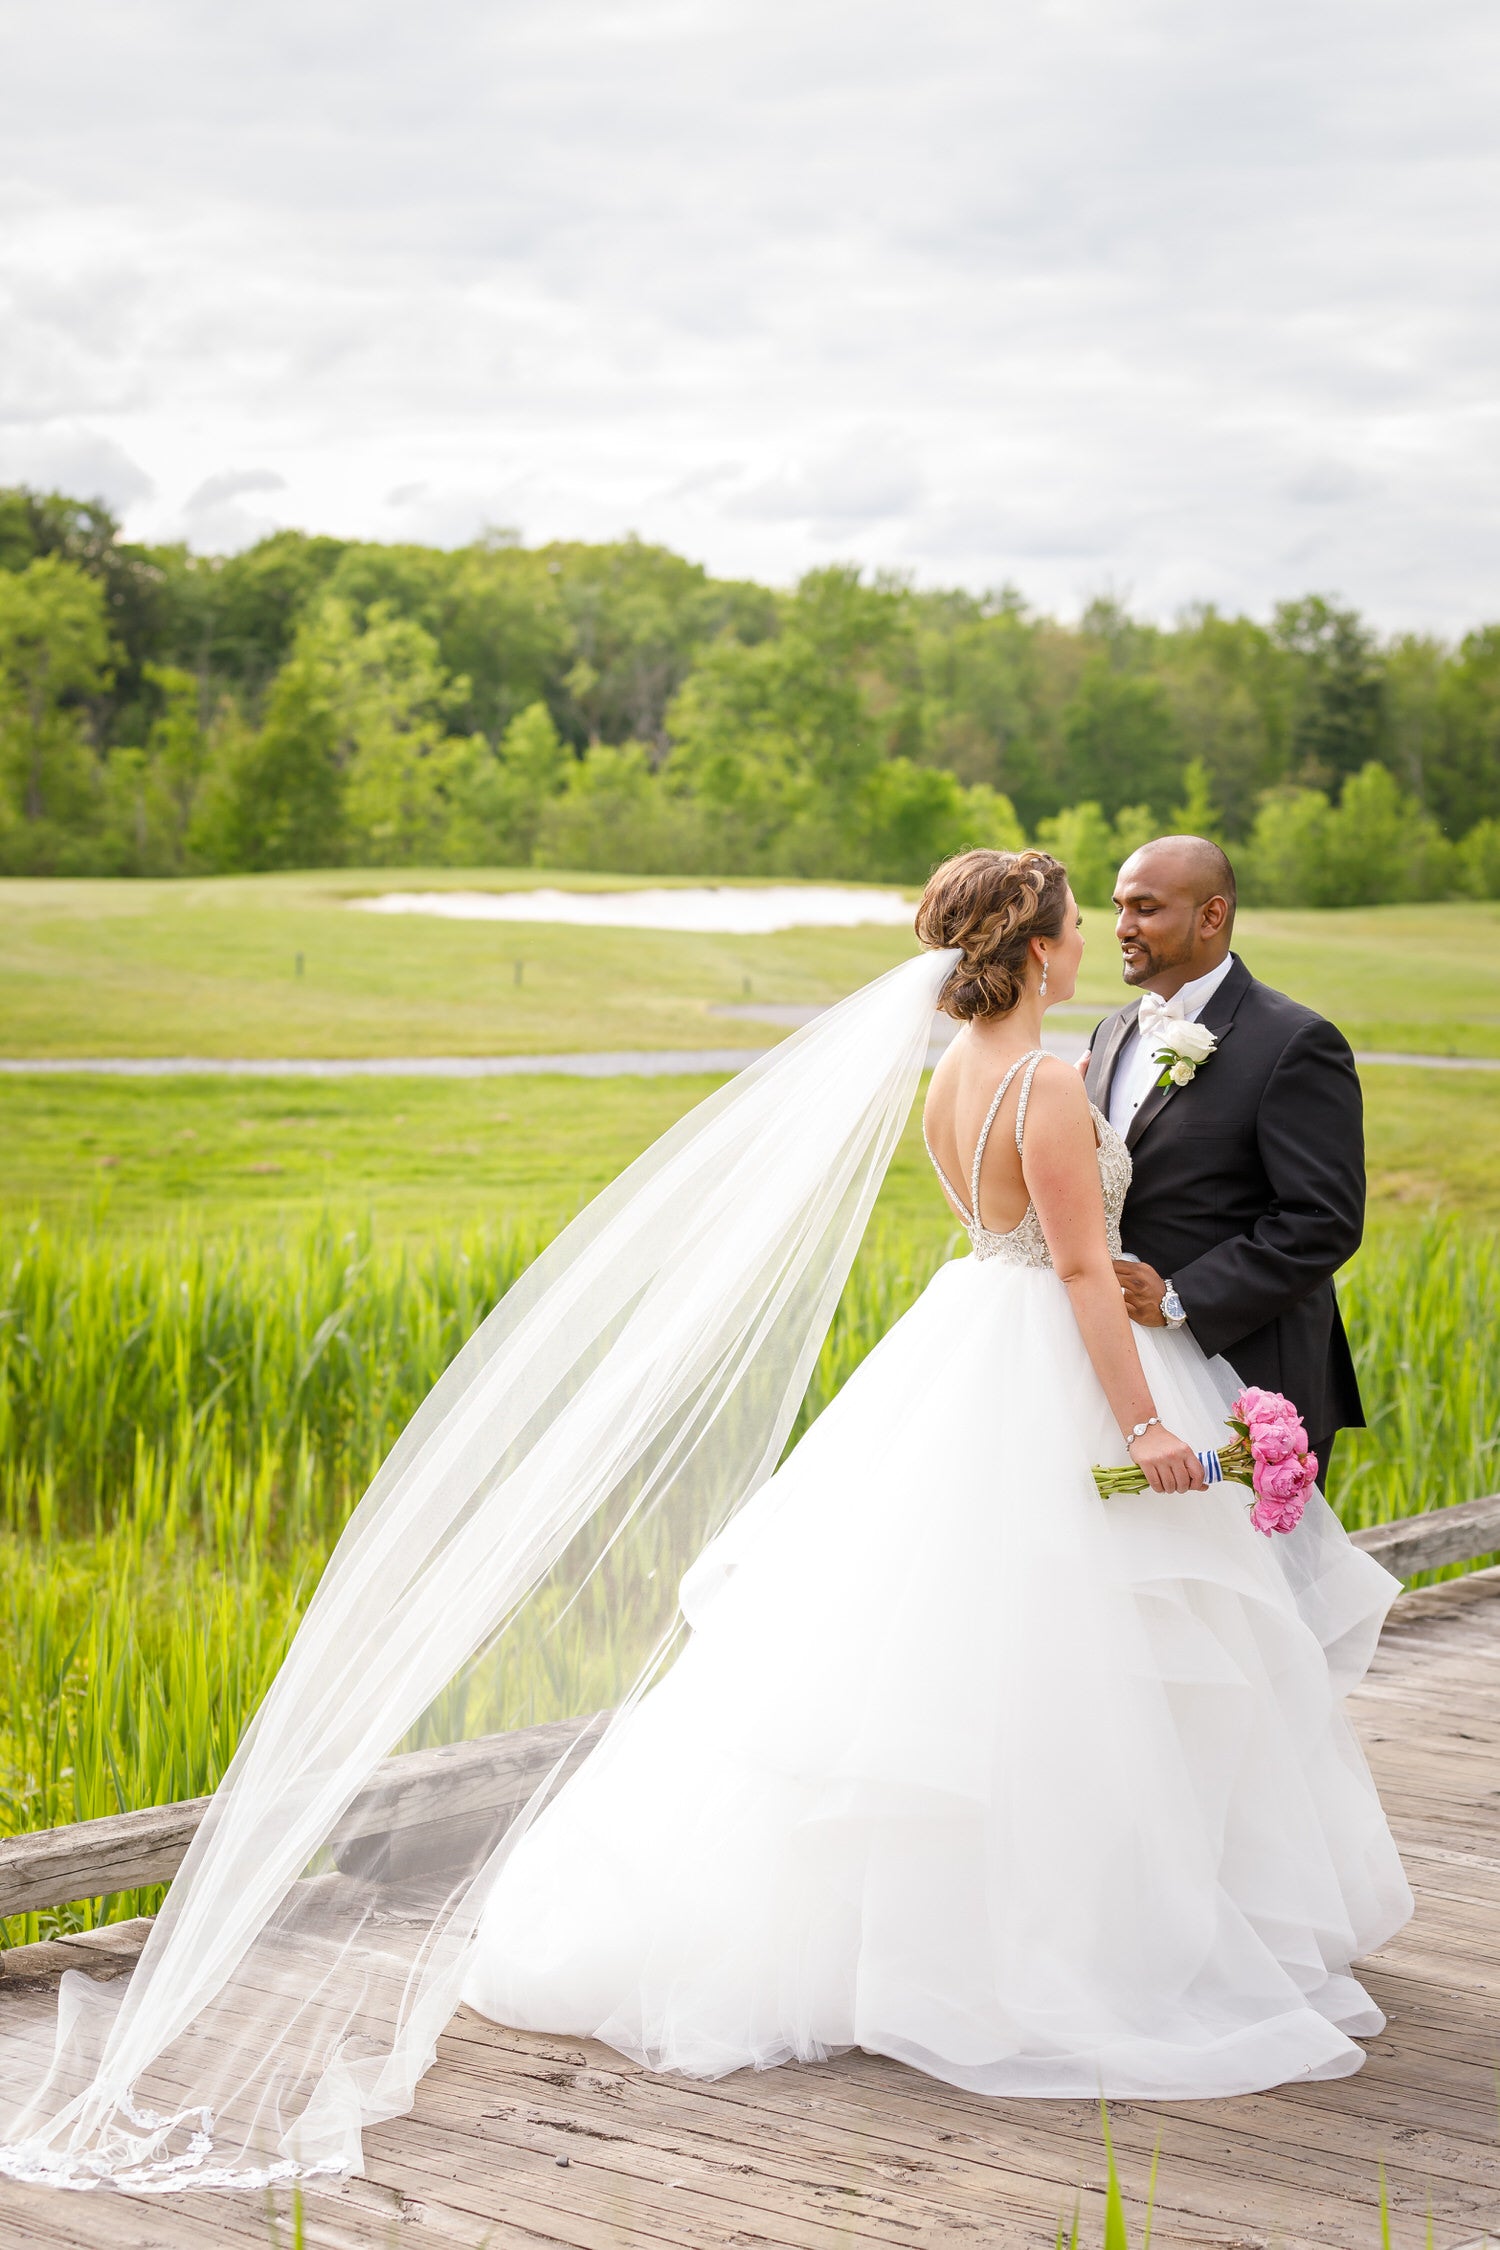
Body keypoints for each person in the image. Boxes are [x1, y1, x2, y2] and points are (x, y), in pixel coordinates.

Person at [462, 847, 1410, 2099]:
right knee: (1078, 1658)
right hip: (1060, 1372)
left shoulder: (951, 1079)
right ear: (1034, 952)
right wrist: (1145, 1429)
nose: (1095, 943)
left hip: (962, 1348)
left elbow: (1013, 1231)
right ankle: (1069, 1937)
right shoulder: (1052, 1082)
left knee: (943, 1650)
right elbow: (1078, 1271)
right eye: (1079, 925)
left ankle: (908, 1930)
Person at [1083, 836, 1365, 1482]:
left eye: (1146, 908)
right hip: (1140, 1390)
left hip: (1252, 1385)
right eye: (1119, 907)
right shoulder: (1112, 1033)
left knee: (1269, 1586)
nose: (1123, 927)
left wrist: (1181, 1299)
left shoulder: (1296, 1042)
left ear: (1211, 916)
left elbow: (1322, 1221)